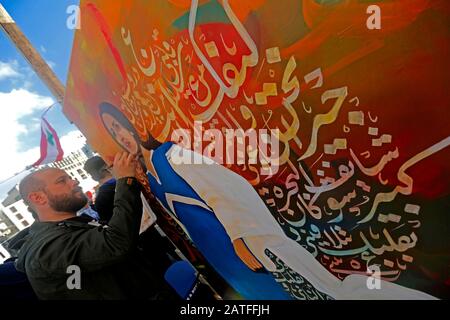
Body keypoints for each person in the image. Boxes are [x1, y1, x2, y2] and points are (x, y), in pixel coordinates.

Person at [99, 102, 438, 300]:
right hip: (224, 259)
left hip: (248, 248)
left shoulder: (173, 156)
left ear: (133, 124)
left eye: (120, 126)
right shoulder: (152, 174)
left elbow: (231, 190)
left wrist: (241, 238)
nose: (120, 134)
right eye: (112, 132)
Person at [15, 151, 178, 300]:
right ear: (38, 198)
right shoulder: (45, 250)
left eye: (70, 177)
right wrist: (125, 180)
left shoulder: (68, 227)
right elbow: (115, 243)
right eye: (62, 181)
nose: (74, 181)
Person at [83, 156, 116, 222]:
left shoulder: (102, 196)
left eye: (90, 173)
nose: (91, 176)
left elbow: (107, 221)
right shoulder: (124, 179)